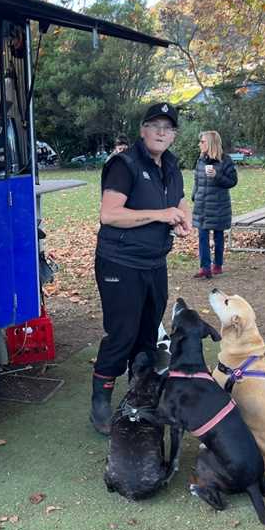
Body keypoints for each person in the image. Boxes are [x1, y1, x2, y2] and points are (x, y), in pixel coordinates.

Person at [91, 102, 191, 435]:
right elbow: (110, 214)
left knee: (149, 333)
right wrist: (161, 215)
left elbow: (180, 200)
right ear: (142, 130)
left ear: (174, 134)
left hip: (154, 262)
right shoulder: (125, 164)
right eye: (155, 125)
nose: (162, 132)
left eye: (169, 127)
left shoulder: (172, 165)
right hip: (120, 261)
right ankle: (100, 404)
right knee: (123, 334)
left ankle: (140, 393)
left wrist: (182, 219)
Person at [191, 130, 238, 279]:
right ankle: (205, 268)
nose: (200, 144)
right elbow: (197, 181)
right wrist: (194, 196)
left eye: (202, 142)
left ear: (211, 143)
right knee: (202, 236)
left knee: (218, 236)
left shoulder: (226, 160)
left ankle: (217, 265)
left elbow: (232, 181)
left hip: (219, 206)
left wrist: (217, 176)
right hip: (202, 205)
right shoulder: (200, 161)